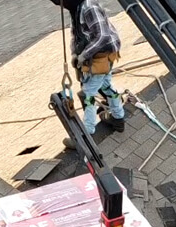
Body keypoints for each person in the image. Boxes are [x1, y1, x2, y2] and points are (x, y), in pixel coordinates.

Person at [50, 0, 126, 144]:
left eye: (61, 3)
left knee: (88, 95)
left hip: (102, 54)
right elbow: (76, 34)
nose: (62, 7)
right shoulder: (76, 9)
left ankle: (86, 134)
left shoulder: (88, 7)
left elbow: (103, 36)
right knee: (107, 86)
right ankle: (118, 119)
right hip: (99, 54)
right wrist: (74, 54)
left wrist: (84, 55)